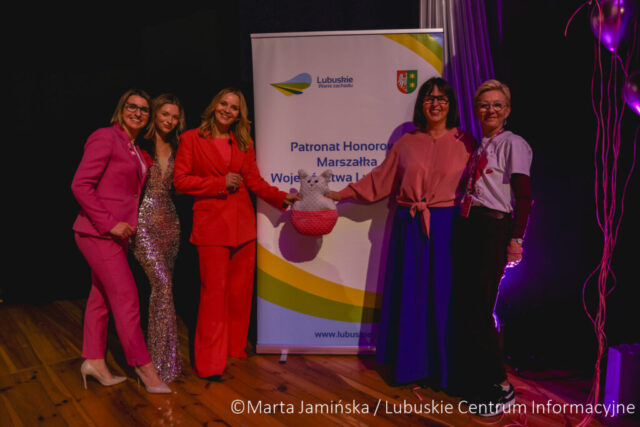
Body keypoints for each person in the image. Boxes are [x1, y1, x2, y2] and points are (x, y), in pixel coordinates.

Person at [326, 77, 475, 387]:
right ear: (422, 104)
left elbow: (479, 185)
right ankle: (410, 366)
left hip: (447, 227)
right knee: (411, 295)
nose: (436, 103)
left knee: (444, 296)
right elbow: (380, 180)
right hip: (410, 226)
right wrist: (340, 194)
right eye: (429, 98)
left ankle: (443, 369)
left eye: (442, 98)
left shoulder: (465, 141)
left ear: (451, 104)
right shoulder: (406, 142)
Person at [173, 87, 299, 380]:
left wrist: (281, 197)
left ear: (239, 115)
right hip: (211, 228)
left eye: (234, 107)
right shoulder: (191, 138)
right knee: (213, 296)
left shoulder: (243, 142)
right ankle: (209, 364)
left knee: (240, 293)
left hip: (243, 228)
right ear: (214, 105)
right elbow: (180, 181)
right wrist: (219, 183)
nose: (227, 110)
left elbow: (254, 181)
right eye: (223, 104)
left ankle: (234, 347)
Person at [71, 89, 171, 394]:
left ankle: (94, 361)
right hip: (97, 232)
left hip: (118, 235)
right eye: (132, 106)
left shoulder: (136, 149)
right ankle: (144, 368)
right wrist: (109, 223)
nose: (137, 113)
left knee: (100, 298)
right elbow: (80, 184)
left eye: (144, 109)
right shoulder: (105, 137)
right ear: (121, 108)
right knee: (127, 299)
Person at [452, 79, 532, 416]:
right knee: (469, 307)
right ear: (476, 110)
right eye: (484, 104)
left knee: (482, 309)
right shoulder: (479, 146)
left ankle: (500, 384)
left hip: (492, 228)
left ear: (507, 110)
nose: (491, 110)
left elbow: (524, 196)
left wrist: (516, 240)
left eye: (497, 104)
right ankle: (479, 378)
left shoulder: (513, 143)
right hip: (470, 227)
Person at [132, 94, 185, 383]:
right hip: (142, 222)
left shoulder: (179, 146)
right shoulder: (140, 144)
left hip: (171, 223)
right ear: (154, 114)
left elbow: (183, 184)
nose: (170, 120)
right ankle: (154, 366)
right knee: (162, 285)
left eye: (175, 117)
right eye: (165, 114)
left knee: (165, 290)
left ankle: (167, 362)